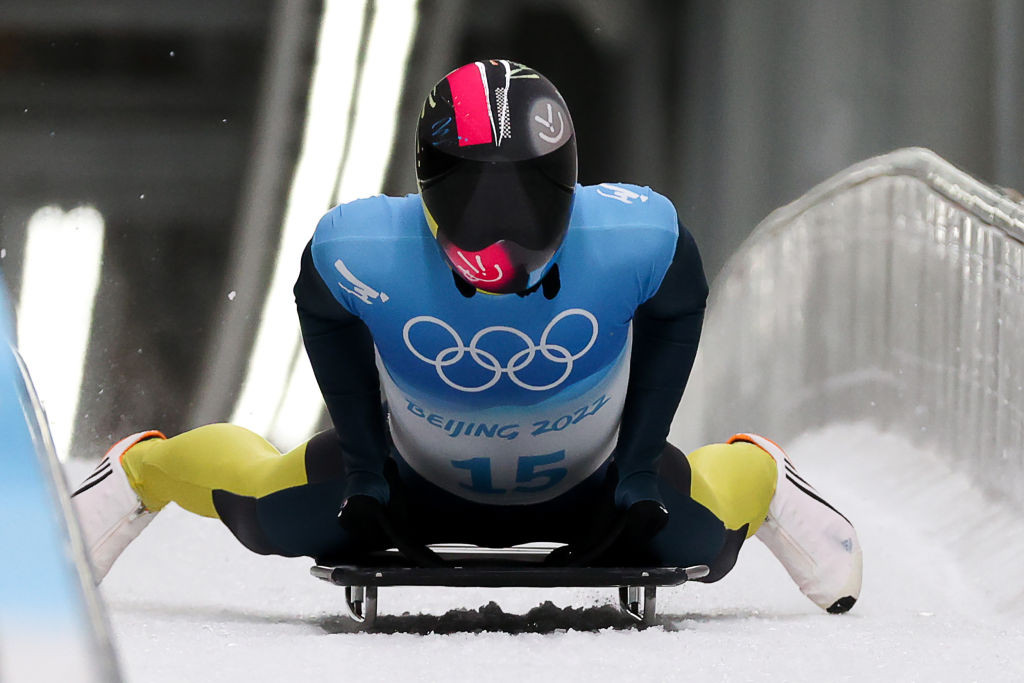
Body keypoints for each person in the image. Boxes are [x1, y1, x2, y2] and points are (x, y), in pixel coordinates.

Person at [71, 59, 862, 614]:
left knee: (706, 541)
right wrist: (364, 462)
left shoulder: (636, 235)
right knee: (265, 515)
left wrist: (638, 462)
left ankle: (762, 472)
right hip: (413, 480)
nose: (502, 233)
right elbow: (323, 309)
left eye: (527, 200)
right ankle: (141, 472)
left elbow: (679, 305)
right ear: (429, 189)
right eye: (474, 200)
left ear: (568, 185)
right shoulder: (363, 247)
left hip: (593, 482)